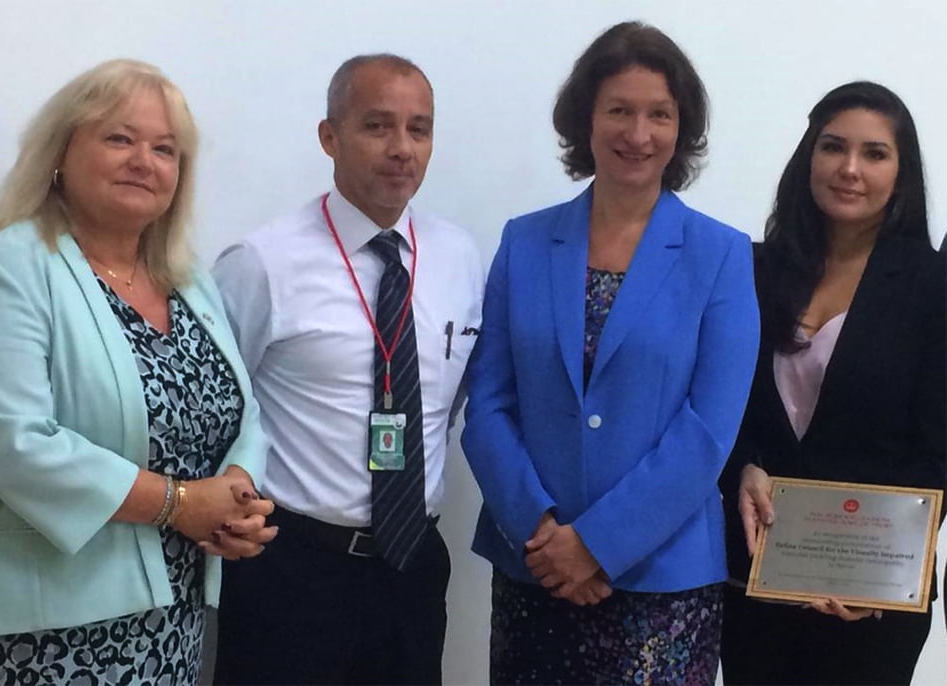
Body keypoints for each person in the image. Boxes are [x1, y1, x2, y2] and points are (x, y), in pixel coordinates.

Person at [0, 59, 277, 685]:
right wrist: (180, 504)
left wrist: (236, 494)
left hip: (170, 621)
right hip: (36, 633)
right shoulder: (4, 271)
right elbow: (15, 445)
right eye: (119, 138)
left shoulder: (189, 280)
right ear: (61, 152)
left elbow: (242, 410)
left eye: (164, 149)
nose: (143, 160)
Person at [461, 21, 759, 685]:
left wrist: (596, 545)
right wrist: (543, 533)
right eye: (619, 110)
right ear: (586, 119)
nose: (638, 133)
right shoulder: (524, 242)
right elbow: (488, 406)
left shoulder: (721, 255)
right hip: (535, 568)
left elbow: (708, 430)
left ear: (682, 128)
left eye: (659, 114)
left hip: (663, 584)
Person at [211, 53, 484, 685]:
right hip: (293, 568)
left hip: (413, 568)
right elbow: (214, 407)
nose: (401, 148)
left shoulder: (459, 257)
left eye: (419, 129)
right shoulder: (263, 262)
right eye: (377, 126)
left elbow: (450, 403)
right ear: (329, 137)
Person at [720, 81, 946, 686]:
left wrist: (886, 572)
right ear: (808, 157)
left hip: (871, 600)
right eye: (833, 147)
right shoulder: (750, 269)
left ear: (902, 173)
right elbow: (720, 410)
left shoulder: (933, 285)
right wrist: (743, 467)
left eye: (875, 153)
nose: (850, 169)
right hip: (753, 580)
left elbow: (938, 449)